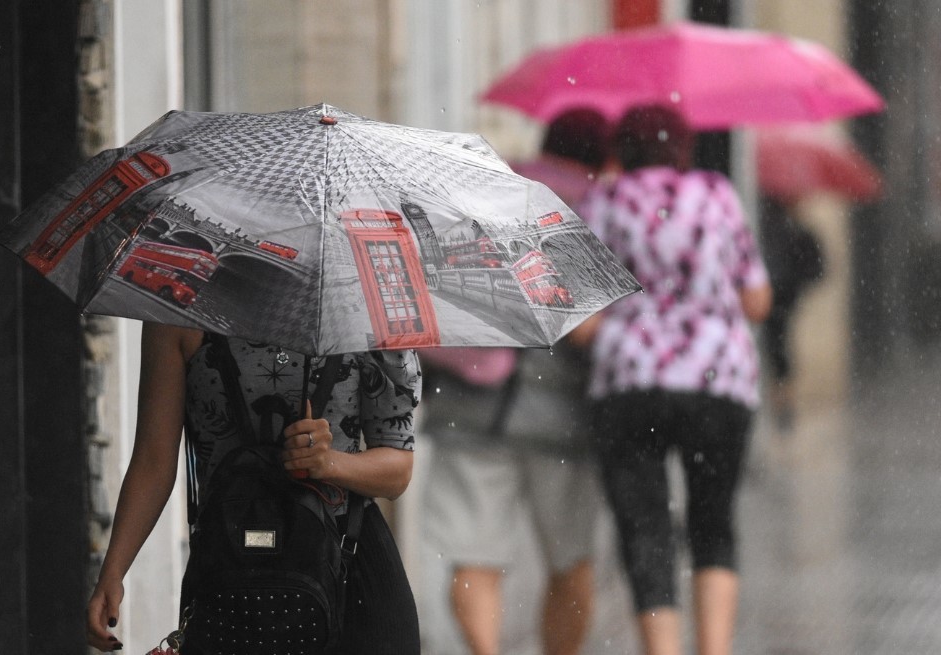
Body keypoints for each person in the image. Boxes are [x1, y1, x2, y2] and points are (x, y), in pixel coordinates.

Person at [85, 324, 422, 653]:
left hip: (350, 568)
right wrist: (113, 572)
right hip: (228, 572)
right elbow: (153, 461)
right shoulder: (179, 311)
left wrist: (330, 463)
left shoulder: (365, 312)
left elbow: (398, 471)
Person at [577, 104, 771, 655]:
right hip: (719, 380)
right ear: (683, 149)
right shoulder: (716, 193)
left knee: (646, 529)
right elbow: (758, 300)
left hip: (629, 381)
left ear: (622, 150)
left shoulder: (603, 202)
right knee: (714, 523)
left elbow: (583, 328)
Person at [419, 107, 610, 655]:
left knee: (474, 557)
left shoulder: (487, 188)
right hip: (562, 418)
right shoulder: (591, 206)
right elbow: (591, 325)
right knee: (571, 561)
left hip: (468, 405)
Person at [757, 194, 824, 432]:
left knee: (777, 349)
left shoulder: (791, 230)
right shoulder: (775, 227)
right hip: (775, 297)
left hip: (781, 299)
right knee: (777, 350)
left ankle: (781, 402)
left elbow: (816, 267)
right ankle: (780, 401)